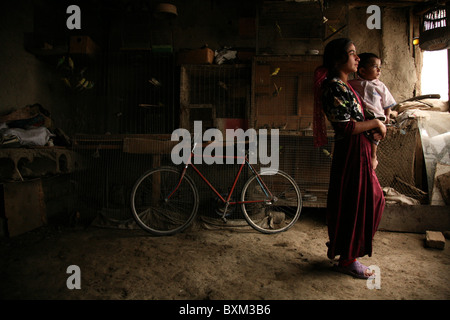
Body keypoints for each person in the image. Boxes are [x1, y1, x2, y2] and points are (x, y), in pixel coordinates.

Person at [313, 38, 386, 279]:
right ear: (338, 60)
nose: (357, 58)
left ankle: (346, 252)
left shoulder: (346, 86)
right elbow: (345, 127)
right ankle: (347, 258)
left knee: (367, 200)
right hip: (351, 152)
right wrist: (375, 123)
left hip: (360, 150)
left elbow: (357, 121)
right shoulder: (334, 86)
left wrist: (375, 132)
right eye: (352, 54)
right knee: (356, 204)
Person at [349, 52, 396, 169]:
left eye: (380, 67)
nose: (379, 70)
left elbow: (387, 102)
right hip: (362, 117)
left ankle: (373, 156)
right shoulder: (352, 84)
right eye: (375, 67)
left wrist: (388, 115)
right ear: (363, 71)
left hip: (377, 116)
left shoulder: (380, 86)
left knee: (375, 136)